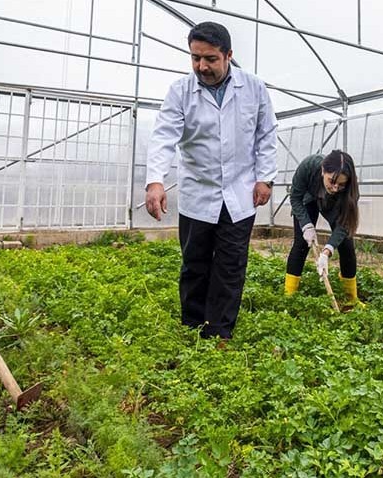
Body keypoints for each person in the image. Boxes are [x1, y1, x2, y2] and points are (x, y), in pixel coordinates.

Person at [144, 21, 277, 340]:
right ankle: (192, 326)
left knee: (230, 268)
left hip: (240, 194)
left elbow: (266, 134)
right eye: (195, 58)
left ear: (229, 55)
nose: (201, 66)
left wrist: (265, 179)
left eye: (210, 59)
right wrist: (155, 181)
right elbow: (164, 136)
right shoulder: (180, 91)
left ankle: (219, 333)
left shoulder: (254, 88)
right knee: (195, 264)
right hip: (197, 195)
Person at [284, 150, 362, 308]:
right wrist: (306, 225)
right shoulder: (308, 166)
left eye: (341, 184)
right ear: (322, 171)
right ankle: (289, 295)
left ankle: (351, 298)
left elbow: (345, 224)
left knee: (346, 244)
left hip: (334, 205)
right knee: (301, 244)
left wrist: (327, 250)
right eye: (331, 181)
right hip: (307, 200)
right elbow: (295, 197)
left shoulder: (349, 191)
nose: (335, 187)